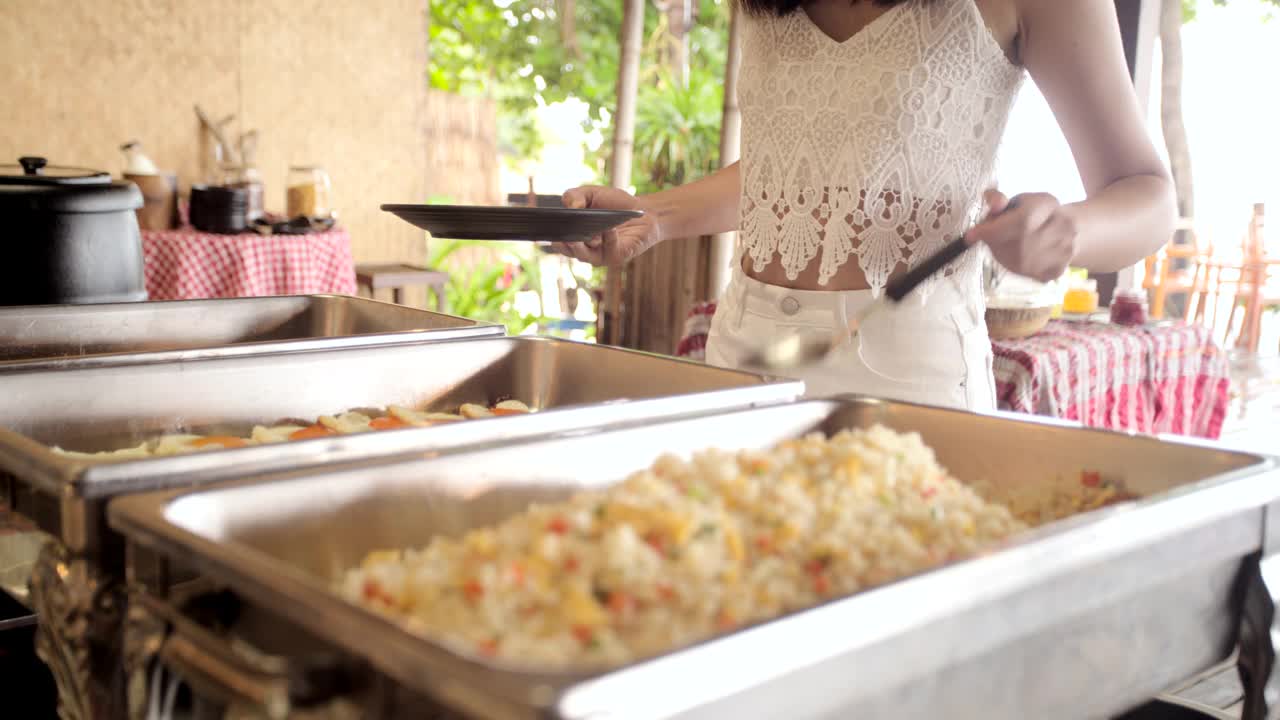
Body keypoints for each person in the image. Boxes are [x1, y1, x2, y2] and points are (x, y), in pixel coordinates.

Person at [552, 0, 1175, 410]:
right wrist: (652, 218)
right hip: (742, 354)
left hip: (909, 376)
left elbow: (1149, 192)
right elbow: (798, 163)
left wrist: (1067, 231)